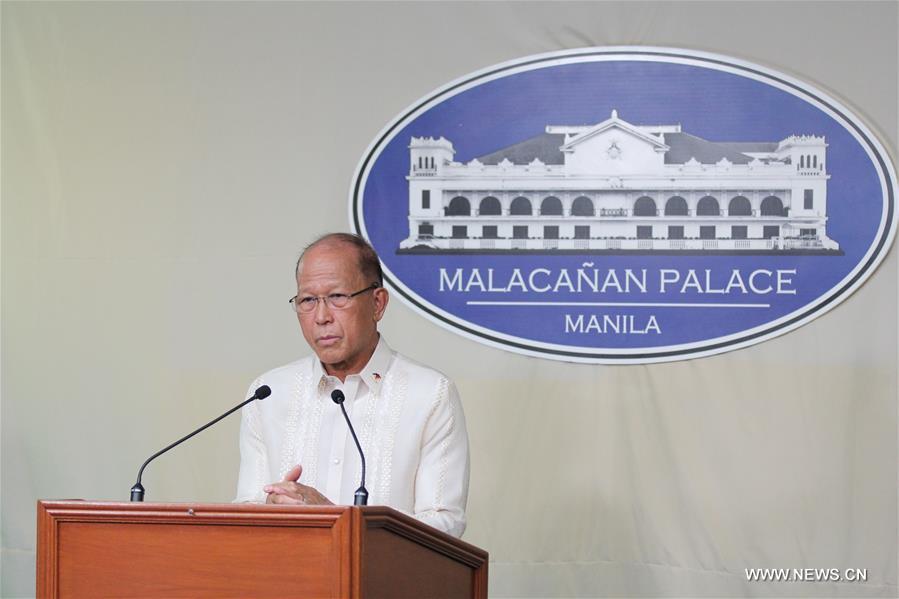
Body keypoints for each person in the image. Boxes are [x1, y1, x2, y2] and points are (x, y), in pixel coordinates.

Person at [235, 233, 470, 537]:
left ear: (377, 303)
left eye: (337, 297)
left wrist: (339, 522)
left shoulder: (430, 394)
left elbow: (444, 524)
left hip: (384, 583)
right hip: (288, 579)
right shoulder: (267, 393)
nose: (321, 317)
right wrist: (269, 511)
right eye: (307, 300)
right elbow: (246, 509)